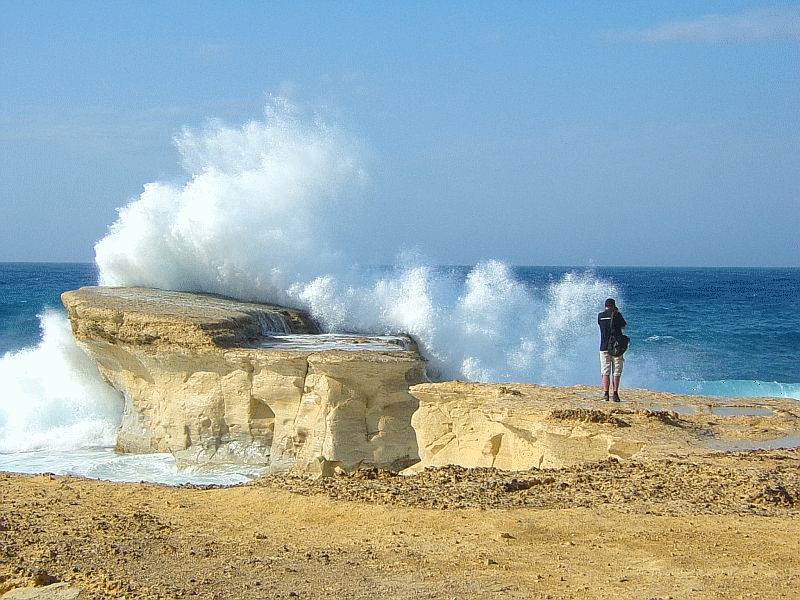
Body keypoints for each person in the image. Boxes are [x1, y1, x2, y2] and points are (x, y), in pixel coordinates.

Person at [598, 298, 627, 402]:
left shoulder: (600, 316)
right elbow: (623, 325)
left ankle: (605, 394)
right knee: (616, 371)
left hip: (604, 347)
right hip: (616, 347)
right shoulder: (616, 315)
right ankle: (615, 394)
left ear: (605, 306)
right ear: (613, 306)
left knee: (605, 371)